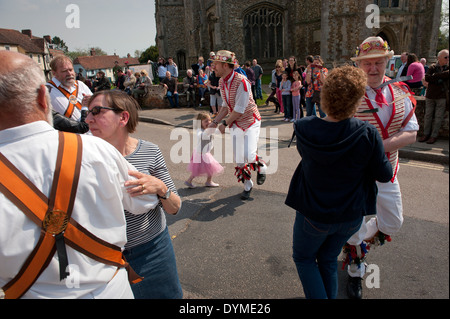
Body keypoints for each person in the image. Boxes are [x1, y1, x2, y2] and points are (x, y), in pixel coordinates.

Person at [0, 50, 159, 299]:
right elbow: (143, 202)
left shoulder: (97, 144)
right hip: (111, 291)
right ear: (45, 97)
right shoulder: (97, 150)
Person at [285, 65, 393, 299]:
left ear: (325, 94)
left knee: (304, 258)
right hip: (349, 217)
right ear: (356, 100)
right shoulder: (368, 133)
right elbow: (384, 174)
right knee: (326, 259)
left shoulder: (303, 128)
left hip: (314, 214)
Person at [85, 89, 183, 299]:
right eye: (87, 112)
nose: (87, 118)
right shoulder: (83, 155)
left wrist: (160, 188)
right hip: (102, 258)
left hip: (152, 251)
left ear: (123, 117)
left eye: (96, 111)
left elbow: (175, 207)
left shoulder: (150, 151)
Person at [344, 36, 419, 299]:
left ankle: (353, 238)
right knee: (353, 224)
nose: (373, 68)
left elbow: (412, 132)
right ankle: (355, 268)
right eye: (367, 64)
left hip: (388, 169)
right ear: (359, 65)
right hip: (354, 174)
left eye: (378, 62)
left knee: (393, 222)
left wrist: (380, 146)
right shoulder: (348, 93)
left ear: (388, 62)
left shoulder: (401, 91)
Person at [208, 50, 267, 200]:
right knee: (240, 159)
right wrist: (214, 122)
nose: (212, 67)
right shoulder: (222, 82)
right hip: (236, 123)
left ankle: (261, 166)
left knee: (249, 154)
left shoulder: (242, 82)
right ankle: (248, 185)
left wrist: (224, 123)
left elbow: (239, 110)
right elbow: (225, 106)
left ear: (225, 65)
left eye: (215, 64)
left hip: (250, 120)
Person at [47, 55, 92, 122]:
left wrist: (92, 101)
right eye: (64, 71)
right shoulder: (47, 90)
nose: (69, 73)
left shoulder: (80, 85)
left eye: (71, 70)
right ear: (54, 73)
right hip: (66, 131)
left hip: (90, 129)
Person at [185, 112, 224, 188]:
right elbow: (201, 136)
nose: (208, 122)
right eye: (206, 121)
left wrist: (221, 128)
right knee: (210, 167)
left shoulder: (208, 129)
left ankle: (190, 181)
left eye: (209, 120)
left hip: (204, 153)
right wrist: (208, 131)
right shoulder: (200, 130)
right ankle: (207, 181)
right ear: (200, 123)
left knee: (206, 168)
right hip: (201, 153)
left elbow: (218, 132)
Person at [419, 49, 449, 144]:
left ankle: (433, 136)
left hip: (442, 96)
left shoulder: (447, 68)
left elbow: (446, 75)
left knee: (438, 117)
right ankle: (426, 134)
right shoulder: (432, 67)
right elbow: (427, 77)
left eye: (448, 57)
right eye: (446, 57)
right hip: (431, 95)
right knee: (428, 115)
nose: (447, 59)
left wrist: (435, 77)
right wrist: (441, 77)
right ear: (439, 58)